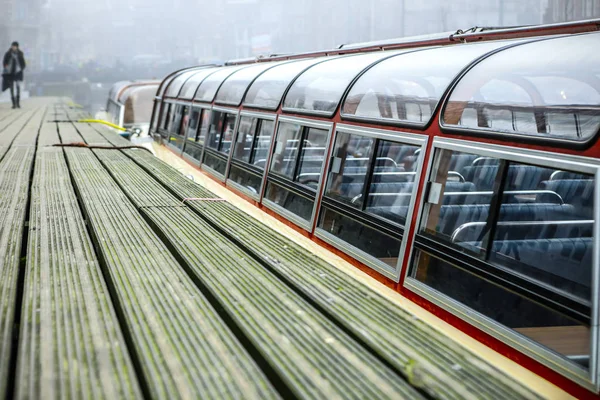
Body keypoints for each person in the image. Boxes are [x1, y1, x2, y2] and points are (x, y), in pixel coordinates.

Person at [3, 42, 26, 109]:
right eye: (13, 46)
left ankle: (18, 103)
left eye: (15, 46)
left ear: (17, 47)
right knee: (11, 88)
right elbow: (4, 62)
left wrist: (21, 69)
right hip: (10, 74)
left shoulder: (20, 54)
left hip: (18, 73)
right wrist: (6, 68)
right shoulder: (8, 53)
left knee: (18, 87)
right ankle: (13, 103)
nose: (14, 47)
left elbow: (23, 63)